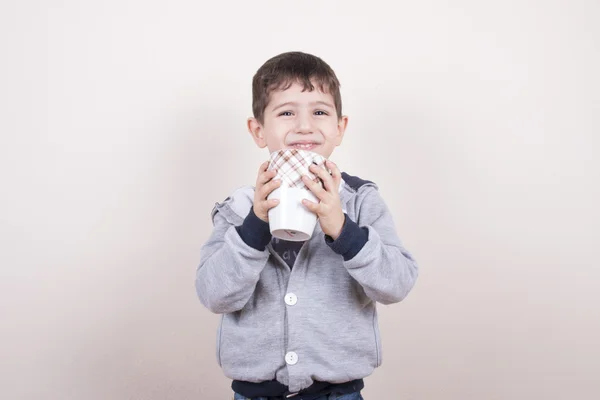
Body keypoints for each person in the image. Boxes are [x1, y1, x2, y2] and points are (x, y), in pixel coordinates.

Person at [195, 51, 418, 400]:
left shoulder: (360, 201)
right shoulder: (238, 209)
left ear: (339, 128)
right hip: (256, 393)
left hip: (338, 392)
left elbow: (397, 284)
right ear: (258, 130)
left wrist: (344, 230)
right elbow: (213, 294)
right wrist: (255, 225)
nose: (304, 126)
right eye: (286, 112)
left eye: (319, 112)